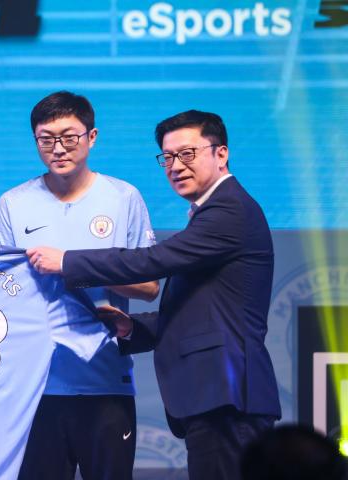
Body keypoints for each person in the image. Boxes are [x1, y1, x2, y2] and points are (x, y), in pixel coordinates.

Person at [27, 109, 281, 479]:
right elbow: (203, 313)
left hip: (228, 397)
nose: (176, 166)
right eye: (168, 157)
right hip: (215, 400)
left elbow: (152, 261)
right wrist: (134, 328)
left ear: (221, 154)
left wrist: (67, 261)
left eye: (188, 154)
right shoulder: (211, 211)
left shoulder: (230, 209)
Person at [0, 91, 159, 480]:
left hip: (106, 381)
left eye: (69, 137)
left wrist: (73, 265)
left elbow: (150, 286)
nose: (58, 148)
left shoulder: (123, 198)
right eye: (46, 139)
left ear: (92, 137)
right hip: (35, 386)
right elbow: (1, 292)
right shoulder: (13, 203)